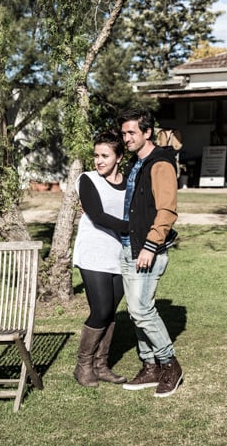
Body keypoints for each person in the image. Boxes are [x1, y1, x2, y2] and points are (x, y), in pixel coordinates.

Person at [118, 108, 183, 397]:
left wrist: (150, 245)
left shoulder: (160, 164)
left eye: (132, 132)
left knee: (142, 310)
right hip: (129, 246)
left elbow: (167, 210)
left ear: (147, 132)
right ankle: (150, 366)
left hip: (147, 249)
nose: (126, 138)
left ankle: (170, 365)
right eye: (123, 133)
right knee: (135, 312)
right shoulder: (137, 163)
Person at [71, 130, 130, 386]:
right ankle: (83, 366)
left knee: (111, 312)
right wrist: (133, 227)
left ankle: (101, 365)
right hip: (93, 253)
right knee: (101, 309)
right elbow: (98, 216)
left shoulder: (129, 183)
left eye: (105, 155)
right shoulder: (87, 180)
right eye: (96, 155)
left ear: (118, 157)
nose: (99, 160)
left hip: (118, 254)